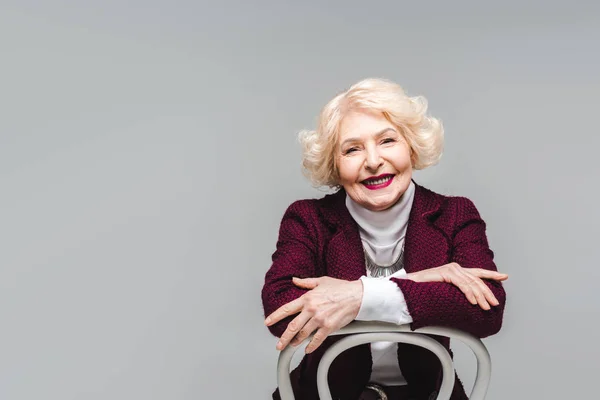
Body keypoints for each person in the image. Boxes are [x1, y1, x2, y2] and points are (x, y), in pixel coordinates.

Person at [261, 78, 508, 400]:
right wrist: (423, 279)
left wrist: (358, 296)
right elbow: (282, 312)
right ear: (334, 164)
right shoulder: (308, 218)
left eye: (387, 141)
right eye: (352, 149)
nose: (373, 161)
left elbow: (487, 310)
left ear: (412, 146)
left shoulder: (455, 213)